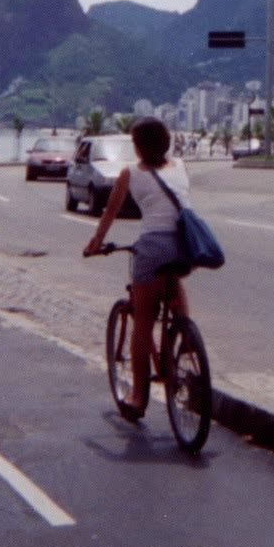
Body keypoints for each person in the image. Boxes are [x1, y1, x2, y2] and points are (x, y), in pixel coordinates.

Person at [82, 117, 193, 422]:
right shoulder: (181, 165)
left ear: (139, 146)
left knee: (143, 320)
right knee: (172, 280)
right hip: (186, 246)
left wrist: (95, 244)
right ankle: (186, 341)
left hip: (153, 248)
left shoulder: (130, 173)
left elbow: (110, 213)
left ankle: (138, 396)